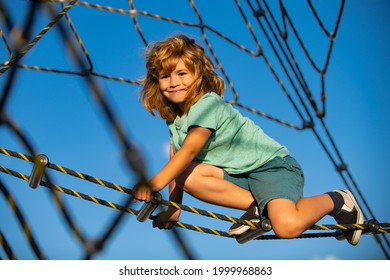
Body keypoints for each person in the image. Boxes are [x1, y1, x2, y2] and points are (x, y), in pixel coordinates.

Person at [132, 34, 364, 245]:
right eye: (165, 76)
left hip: (272, 167)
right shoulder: (175, 120)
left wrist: (152, 184)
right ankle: (259, 208)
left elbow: (190, 150)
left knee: (286, 227)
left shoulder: (207, 104)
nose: (173, 82)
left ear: (199, 75)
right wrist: (174, 209)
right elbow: (178, 162)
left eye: (182, 73)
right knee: (186, 174)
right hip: (239, 176)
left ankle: (336, 200)